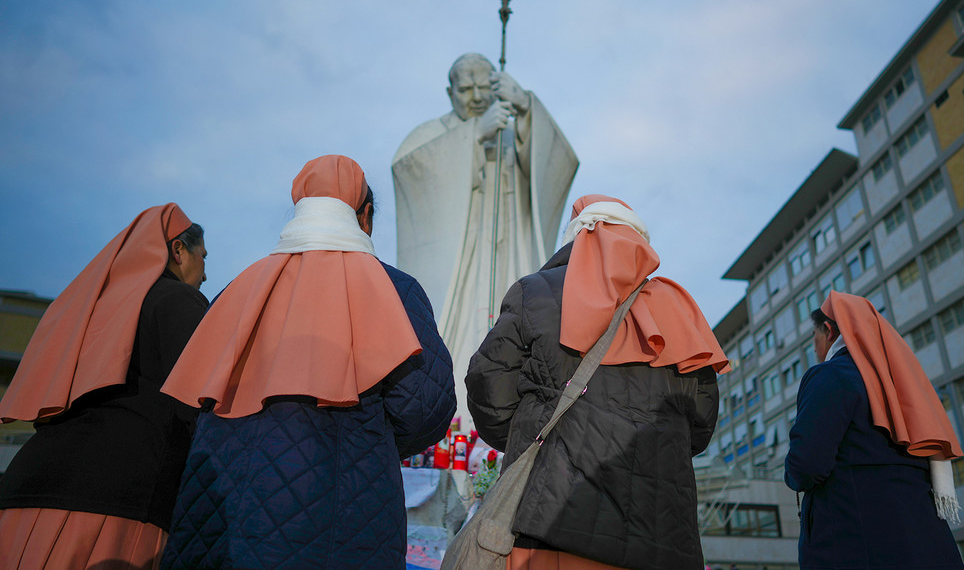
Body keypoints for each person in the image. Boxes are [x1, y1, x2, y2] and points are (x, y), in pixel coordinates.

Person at [159, 154, 456, 570]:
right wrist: (367, 437)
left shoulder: (237, 288)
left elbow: (193, 403)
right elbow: (425, 410)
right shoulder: (395, 289)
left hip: (220, 518)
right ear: (364, 216)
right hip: (341, 520)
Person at [467, 194, 730, 570]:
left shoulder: (537, 292)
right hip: (663, 538)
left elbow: (487, 386)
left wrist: (533, 433)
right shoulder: (680, 309)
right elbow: (700, 425)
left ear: (577, 236)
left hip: (550, 525)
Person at [0, 204, 209, 569]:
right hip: (115, 503)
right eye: (202, 257)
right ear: (178, 250)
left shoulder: (88, 312)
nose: (205, 274)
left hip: (24, 494)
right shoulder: (178, 299)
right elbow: (201, 400)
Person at [392, 52, 578, 429]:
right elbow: (409, 169)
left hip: (512, 253)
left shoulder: (512, 126)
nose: (476, 96)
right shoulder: (431, 135)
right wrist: (472, 137)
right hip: (459, 266)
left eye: (484, 86)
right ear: (449, 91)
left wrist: (527, 107)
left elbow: (560, 162)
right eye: (466, 88)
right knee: (454, 345)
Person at [785, 291, 964, 569]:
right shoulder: (902, 386)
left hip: (856, 545)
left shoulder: (830, 375)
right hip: (929, 546)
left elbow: (806, 463)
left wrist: (792, 474)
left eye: (814, 335)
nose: (814, 345)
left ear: (830, 331)